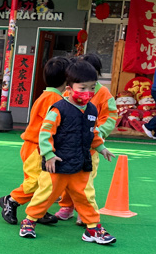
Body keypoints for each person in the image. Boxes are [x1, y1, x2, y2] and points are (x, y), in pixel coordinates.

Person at [18, 59, 117, 244]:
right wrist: (48, 155)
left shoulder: (91, 110)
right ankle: (29, 221)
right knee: (46, 194)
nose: (88, 92)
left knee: (87, 196)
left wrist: (101, 147)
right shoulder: (58, 108)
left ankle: (93, 228)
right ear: (69, 88)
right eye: (82, 88)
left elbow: (92, 132)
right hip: (58, 163)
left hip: (81, 163)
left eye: (92, 87)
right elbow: (45, 132)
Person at [0, 56, 70, 225]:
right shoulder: (54, 99)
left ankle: (38, 210)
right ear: (67, 78)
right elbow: (50, 127)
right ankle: (12, 200)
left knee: (43, 181)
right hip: (36, 148)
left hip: (36, 146)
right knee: (35, 181)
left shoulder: (49, 96)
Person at [54, 52, 119, 225]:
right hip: (69, 147)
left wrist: (98, 132)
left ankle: (84, 212)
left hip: (89, 149)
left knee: (85, 182)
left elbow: (110, 116)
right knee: (67, 179)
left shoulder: (103, 93)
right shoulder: (71, 92)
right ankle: (67, 207)